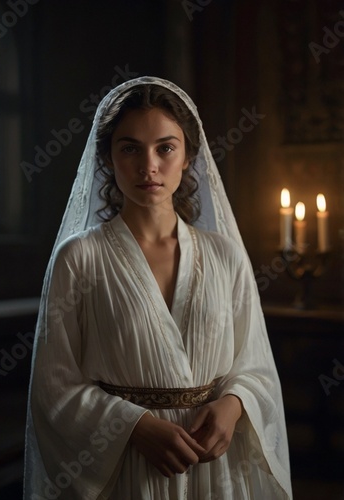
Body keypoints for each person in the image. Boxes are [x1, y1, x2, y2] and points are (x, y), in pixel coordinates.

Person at [24, 77, 292, 499]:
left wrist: (233, 404)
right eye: (130, 148)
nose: (148, 166)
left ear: (188, 156)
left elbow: (256, 363)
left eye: (165, 147)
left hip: (214, 469)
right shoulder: (79, 258)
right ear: (108, 158)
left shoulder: (224, 256)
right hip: (129, 467)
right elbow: (53, 385)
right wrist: (133, 426)